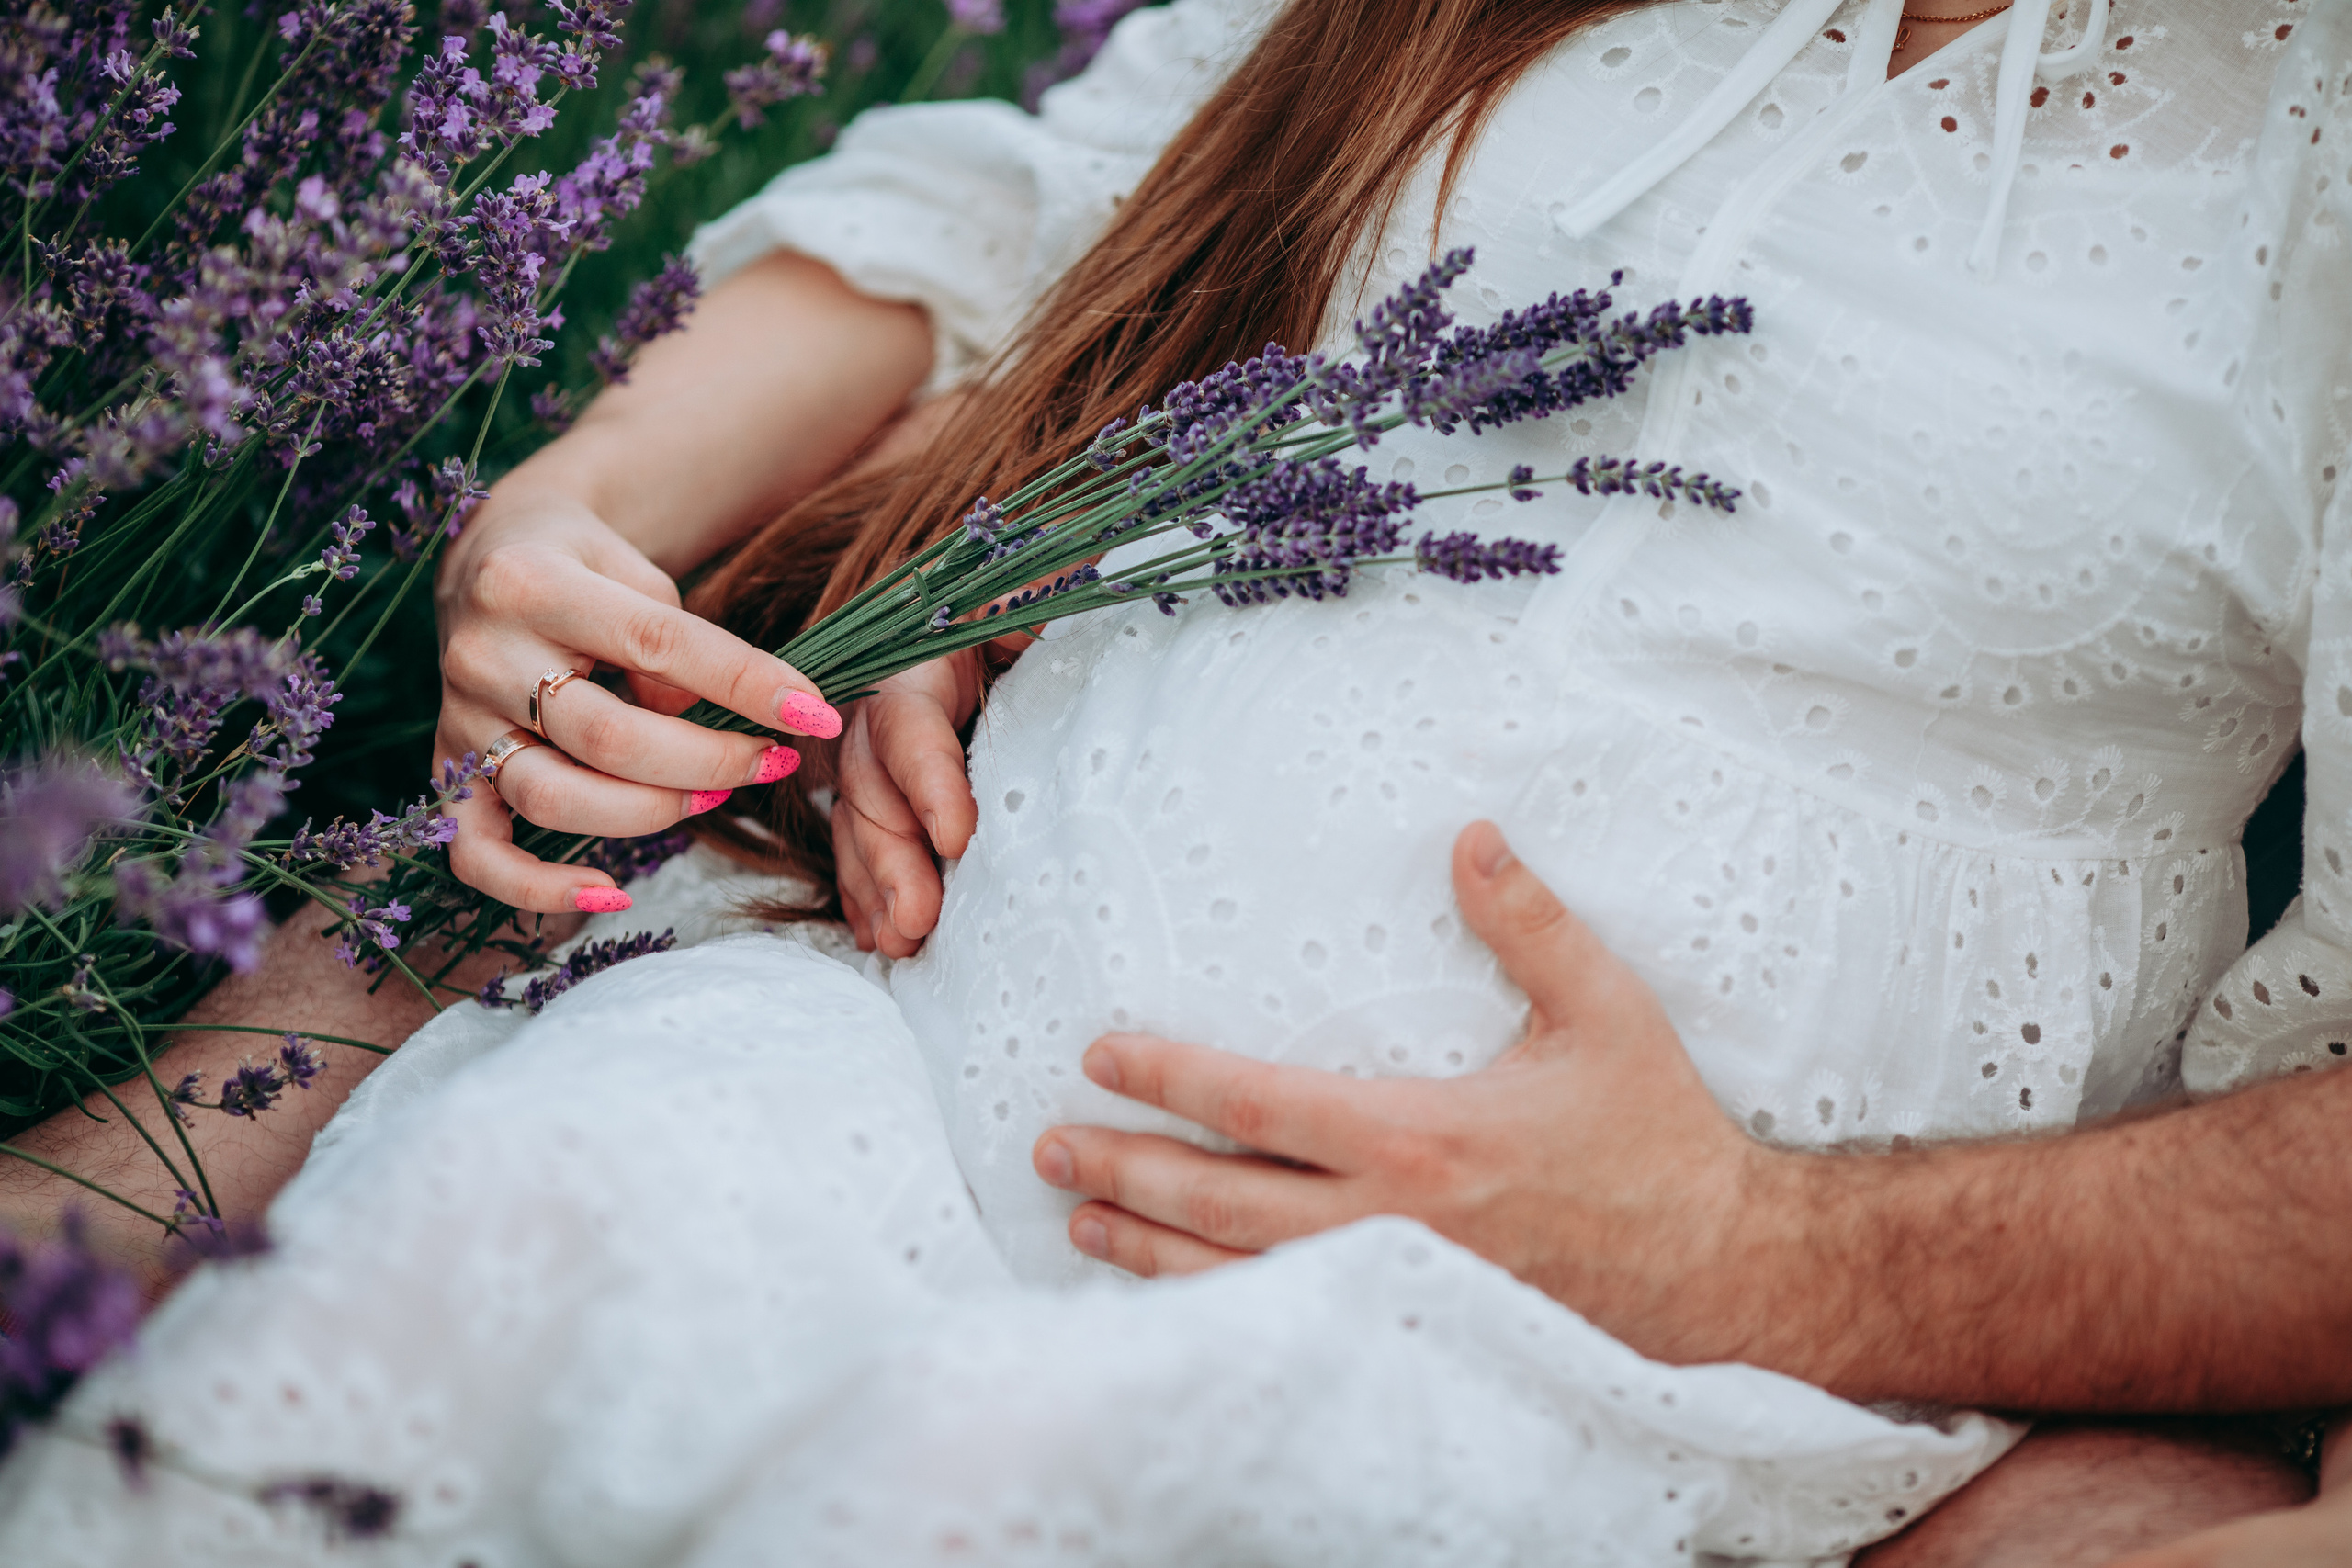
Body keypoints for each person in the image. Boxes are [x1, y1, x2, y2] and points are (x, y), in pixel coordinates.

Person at [1, 0, 2347, 1561]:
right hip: (850, 1068)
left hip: (1594, 1382)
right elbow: (1025, 223)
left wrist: (1752, 1252)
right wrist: (566, 524)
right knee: (437, 1317)